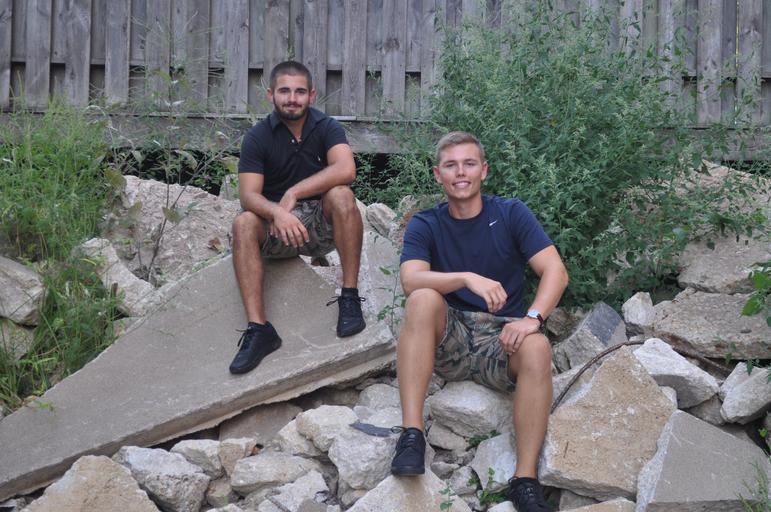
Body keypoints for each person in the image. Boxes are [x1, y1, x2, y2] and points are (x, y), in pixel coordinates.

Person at [390, 132, 568, 512]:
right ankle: (412, 436)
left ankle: (524, 481)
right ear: (438, 174)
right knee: (422, 299)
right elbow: (410, 280)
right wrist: (466, 278)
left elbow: (555, 270)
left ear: (483, 170)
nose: (461, 173)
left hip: (503, 337)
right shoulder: (426, 222)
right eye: (451, 165)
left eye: (469, 164)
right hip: (450, 338)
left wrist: (532, 319)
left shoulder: (511, 213)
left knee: (538, 346)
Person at [229, 61, 366, 375]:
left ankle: (349, 297)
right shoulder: (257, 137)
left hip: (319, 226)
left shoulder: (327, 127)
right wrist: (277, 211)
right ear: (271, 94)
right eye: (285, 91)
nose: (292, 98)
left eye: (300, 92)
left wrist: (293, 193)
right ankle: (259, 330)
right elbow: (248, 196)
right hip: (277, 228)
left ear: (312, 95)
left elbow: (347, 169)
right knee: (243, 222)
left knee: (342, 194)